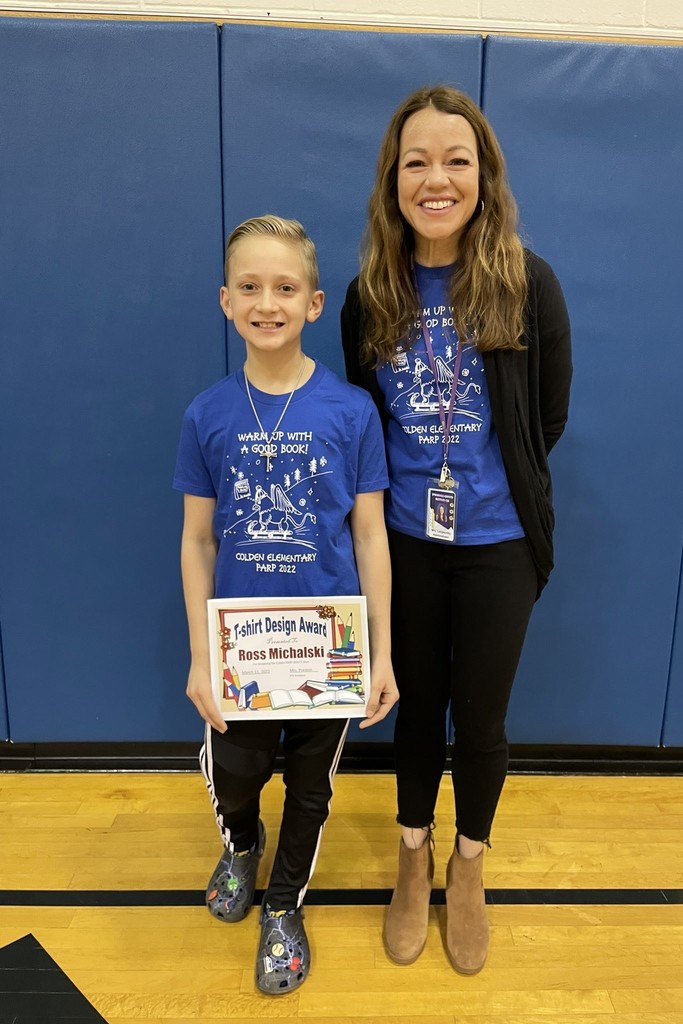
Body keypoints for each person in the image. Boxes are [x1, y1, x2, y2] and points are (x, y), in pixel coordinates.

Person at [341, 86, 572, 975]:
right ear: (393, 180)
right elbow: (366, 426)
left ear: (485, 175)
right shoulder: (371, 295)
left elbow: (545, 418)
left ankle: (468, 867)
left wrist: (483, 489)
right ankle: (412, 856)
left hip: (500, 544)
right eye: (417, 162)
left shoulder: (527, 282)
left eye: (456, 160)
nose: (436, 178)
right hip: (403, 544)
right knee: (412, 715)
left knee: (481, 721)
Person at [174, 215, 397, 996]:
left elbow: (370, 536)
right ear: (226, 301)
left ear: (312, 303)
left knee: (312, 790)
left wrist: (382, 652)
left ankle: (282, 906)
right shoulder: (208, 413)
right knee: (233, 780)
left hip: (327, 650)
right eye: (251, 287)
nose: (267, 301)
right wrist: (202, 656)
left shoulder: (351, 413)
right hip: (239, 651)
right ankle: (241, 845)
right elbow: (198, 541)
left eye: (286, 287)